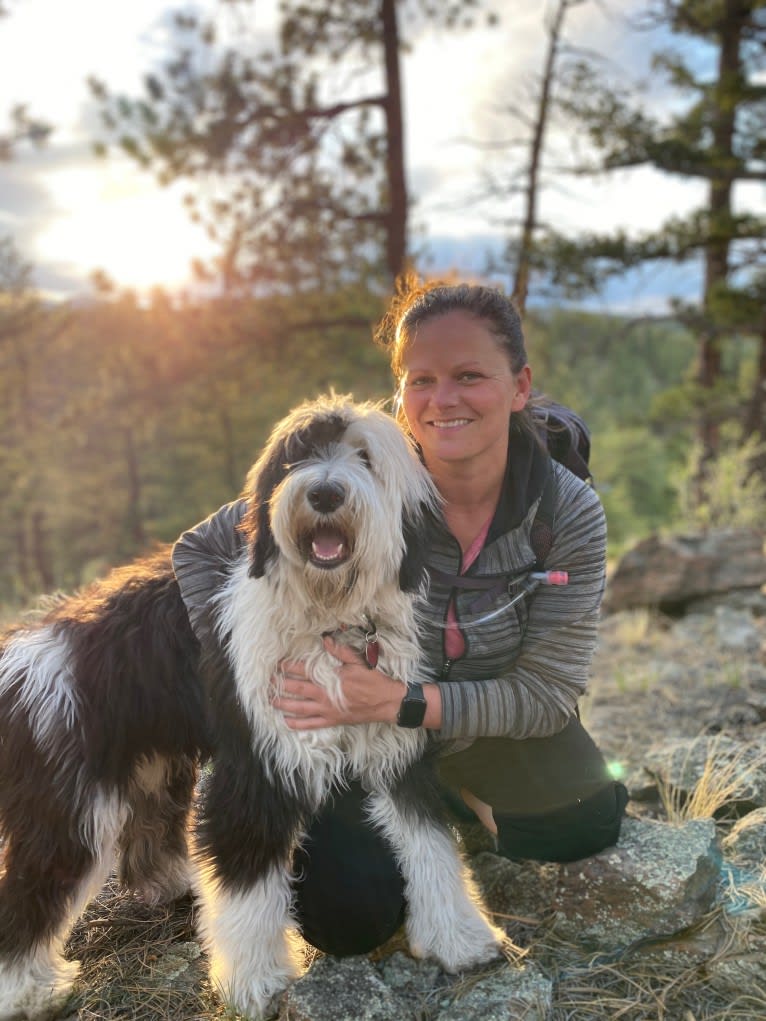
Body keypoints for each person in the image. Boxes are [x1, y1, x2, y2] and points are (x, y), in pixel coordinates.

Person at [172, 279, 628, 958]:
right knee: (349, 921)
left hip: (457, 715)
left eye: (469, 375)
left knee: (586, 818)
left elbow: (548, 694)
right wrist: (258, 677)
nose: (443, 400)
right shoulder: (363, 470)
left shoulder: (564, 513)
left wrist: (403, 702)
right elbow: (199, 550)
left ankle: (444, 793)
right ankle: (338, 806)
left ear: (520, 385)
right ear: (400, 392)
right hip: (348, 729)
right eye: (422, 379)